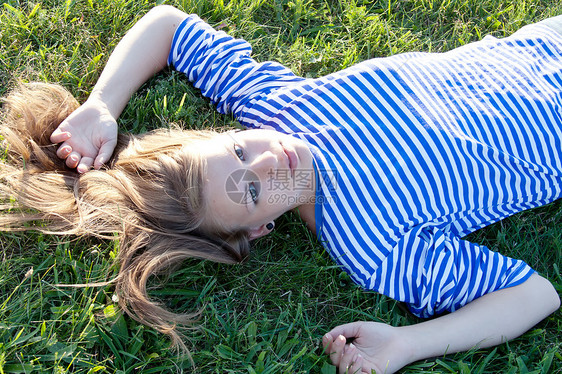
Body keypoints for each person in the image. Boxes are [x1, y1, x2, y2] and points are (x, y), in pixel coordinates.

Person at [2, 5, 561, 373]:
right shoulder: (374, 242)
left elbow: (168, 25)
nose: (270, 157)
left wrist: (102, 104)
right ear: (258, 229)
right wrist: (408, 345)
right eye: (249, 190)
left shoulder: (274, 105)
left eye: (240, 150)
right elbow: (534, 295)